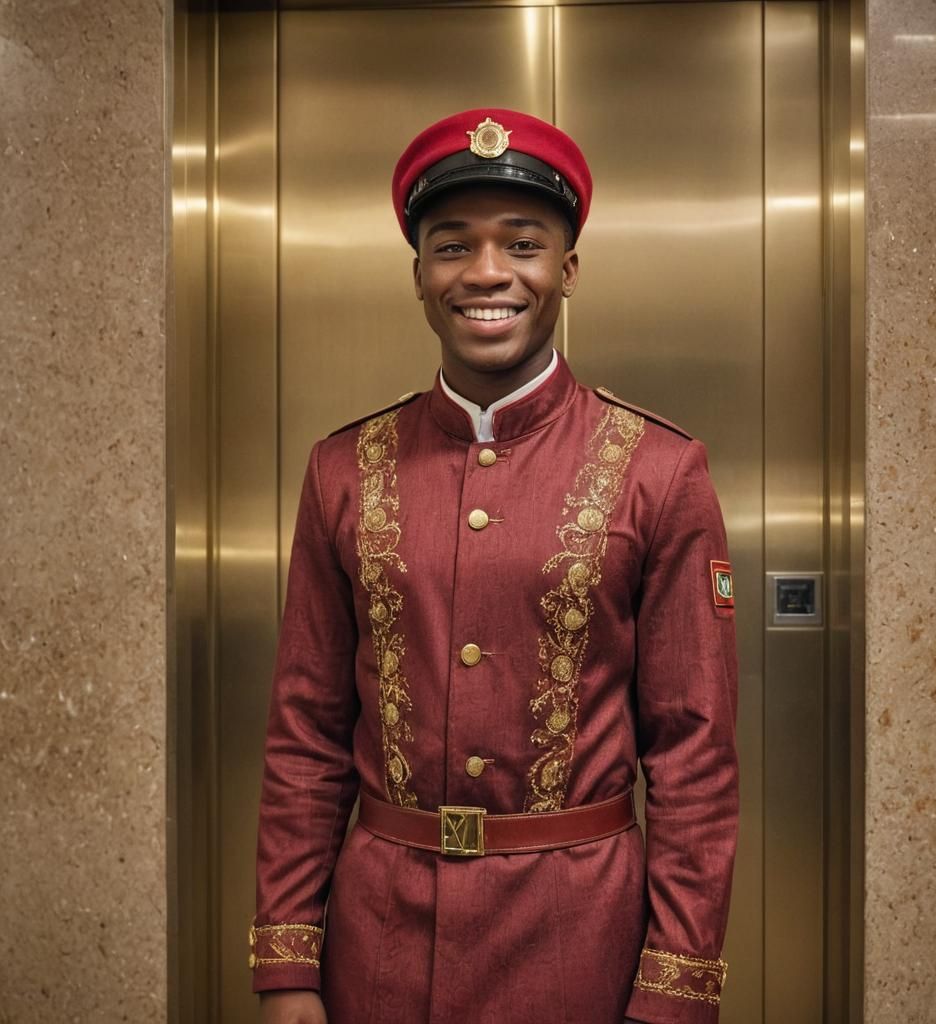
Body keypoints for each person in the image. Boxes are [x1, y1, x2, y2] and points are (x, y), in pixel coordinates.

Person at [250, 108, 739, 1024]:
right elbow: (306, 738)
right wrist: (288, 968)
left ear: (567, 270)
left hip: (580, 945)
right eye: (451, 246)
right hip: (377, 945)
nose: (485, 273)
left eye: (522, 243)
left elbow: (694, 758)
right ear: (419, 277)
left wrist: (673, 991)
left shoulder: (659, 470)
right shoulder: (342, 469)